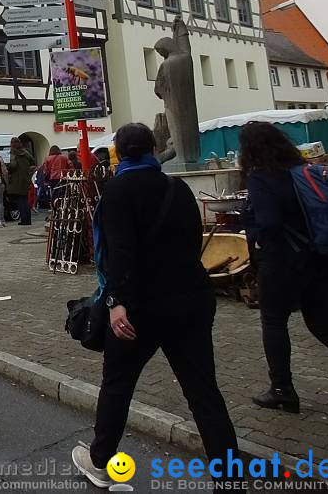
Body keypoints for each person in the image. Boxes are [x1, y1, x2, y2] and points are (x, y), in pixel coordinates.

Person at [71, 123, 238, 489]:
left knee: (118, 385)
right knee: (203, 392)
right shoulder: (176, 188)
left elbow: (120, 254)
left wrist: (115, 302)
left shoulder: (116, 191)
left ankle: (100, 462)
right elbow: (194, 238)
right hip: (191, 300)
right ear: (151, 149)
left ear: (118, 152)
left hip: (138, 309)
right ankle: (230, 477)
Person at [239, 122, 328, 414]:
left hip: (283, 262)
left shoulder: (261, 178)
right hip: (321, 258)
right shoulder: (299, 171)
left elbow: (268, 223)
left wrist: (256, 237)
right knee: (321, 323)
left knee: (273, 321)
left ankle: (282, 389)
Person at [7, 138, 35, 227]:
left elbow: (13, 165)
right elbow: (32, 161)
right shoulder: (25, 152)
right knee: (25, 200)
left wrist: (7, 166)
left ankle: (24, 220)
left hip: (16, 180)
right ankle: (28, 219)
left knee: (20, 201)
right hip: (26, 178)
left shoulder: (13, 153)